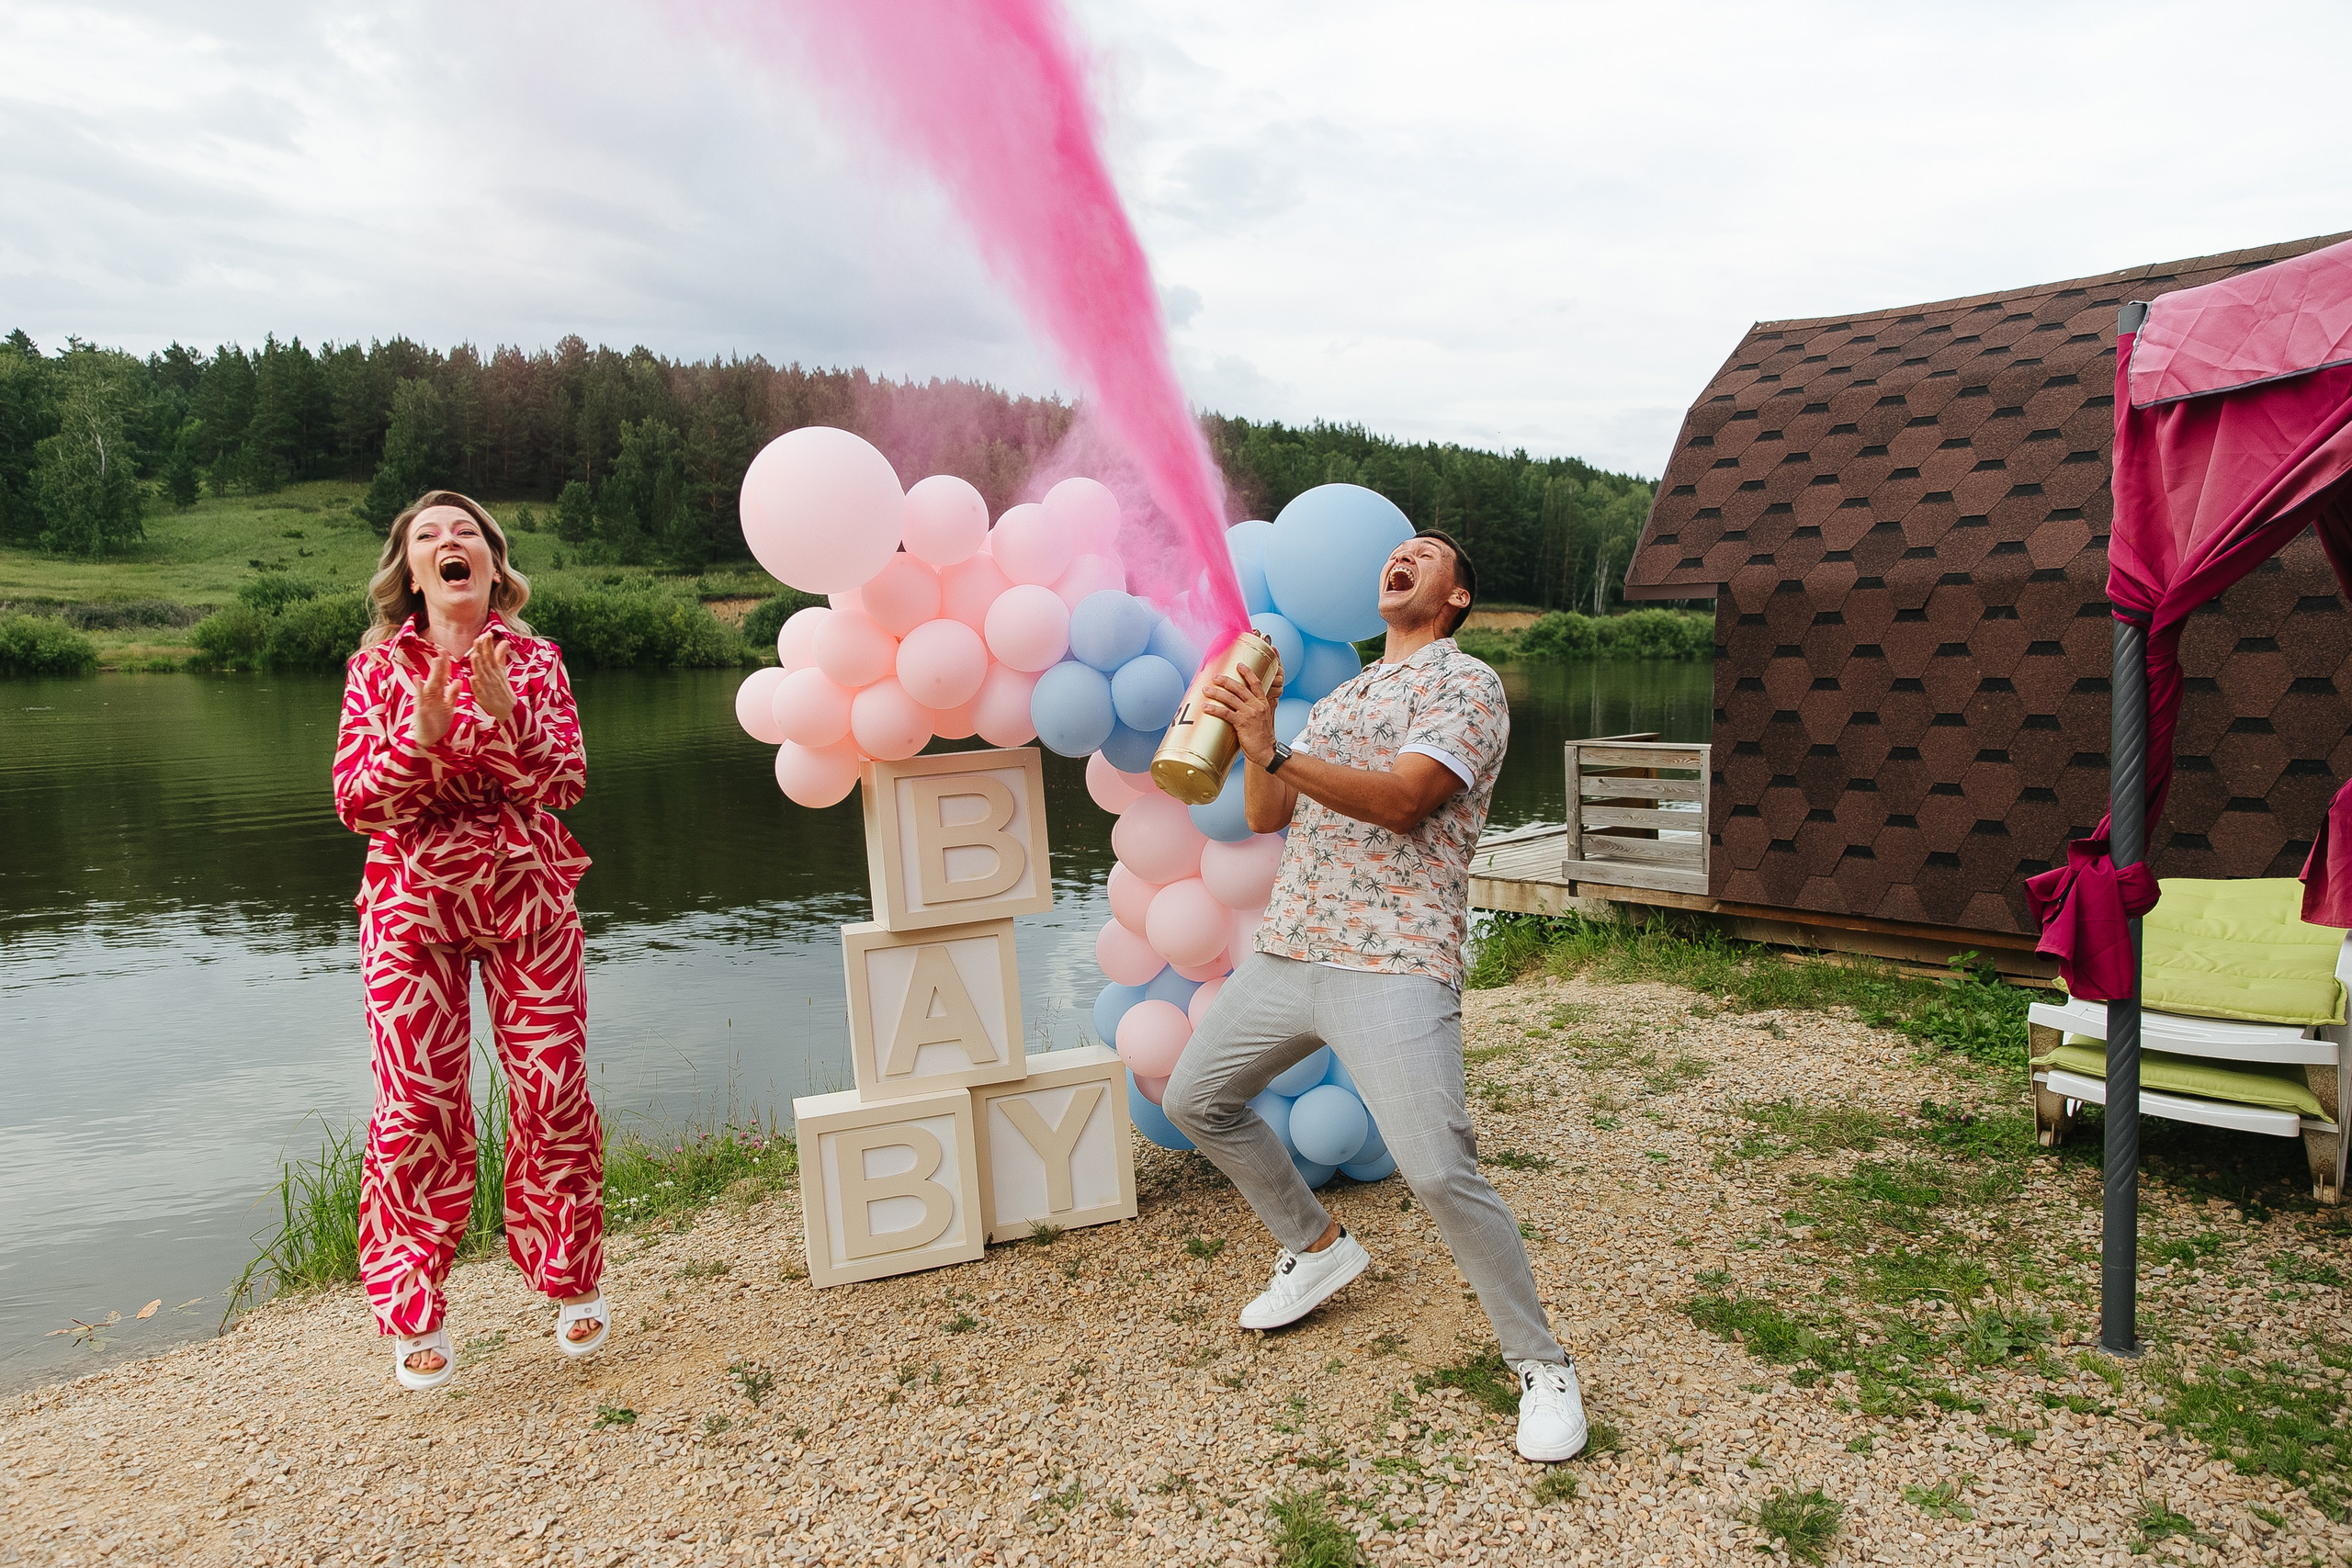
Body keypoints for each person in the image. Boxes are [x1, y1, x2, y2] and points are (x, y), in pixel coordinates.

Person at [1164, 529, 1587, 1462]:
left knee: (1438, 1170)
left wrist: (1276, 752)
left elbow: (1404, 801)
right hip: (1290, 949)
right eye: (1395, 550)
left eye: (1426, 553)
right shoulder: (1347, 694)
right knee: (1195, 1097)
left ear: (1456, 597)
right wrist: (1253, 735)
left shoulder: (1463, 684)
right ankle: (1317, 1249)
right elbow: (1270, 814)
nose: (1402, 556)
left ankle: (1542, 1364)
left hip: (1392, 959)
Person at [333, 490, 607, 1391]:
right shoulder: (375, 672)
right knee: (416, 1105)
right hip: (412, 912)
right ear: (408, 573)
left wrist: (512, 717)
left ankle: (569, 1279)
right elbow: (357, 803)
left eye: (466, 536)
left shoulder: (535, 663)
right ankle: (415, 1307)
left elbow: (562, 780)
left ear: (493, 564)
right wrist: (423, 736)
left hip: (527, 900)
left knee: (553, 1088)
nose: (449, 545)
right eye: (428, 538)